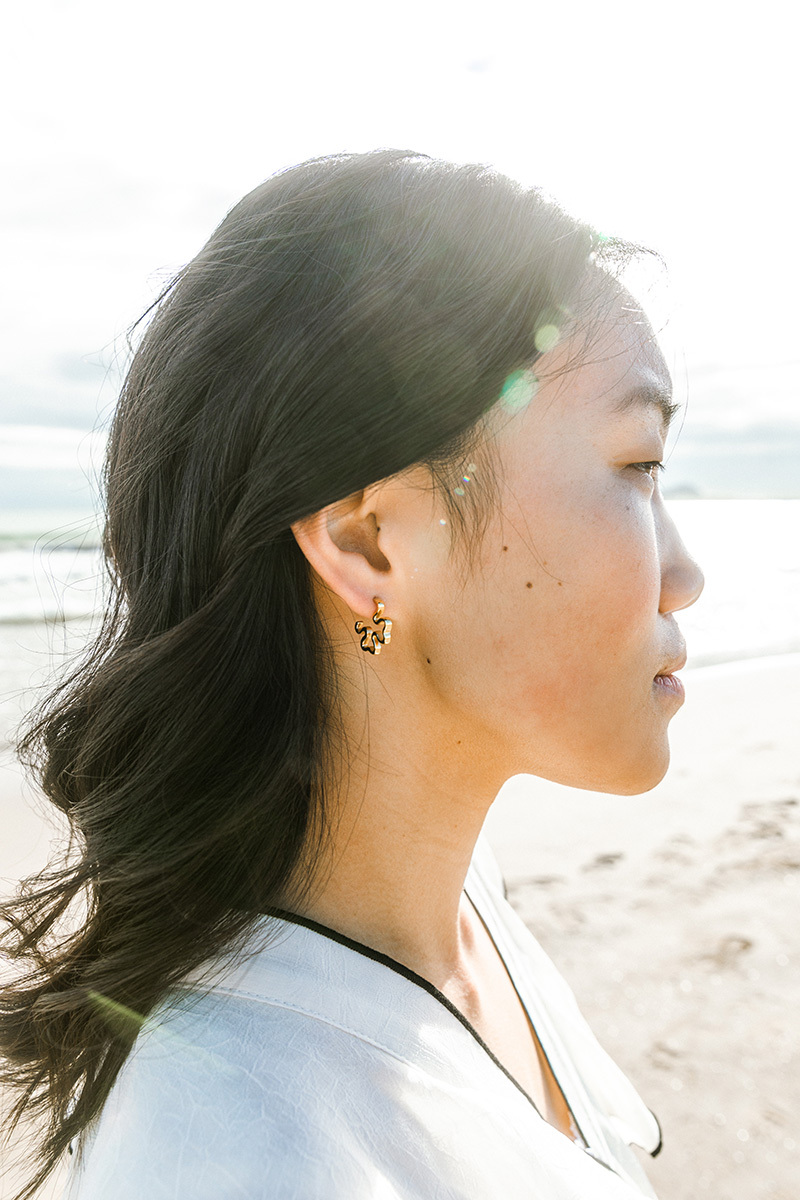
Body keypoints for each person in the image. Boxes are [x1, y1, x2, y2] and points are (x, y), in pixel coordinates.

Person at [0, 149, 703, 1199]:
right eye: (636, 468)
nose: (682, 575)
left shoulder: (454, 901)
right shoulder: (240, 1161)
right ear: (371, 544)